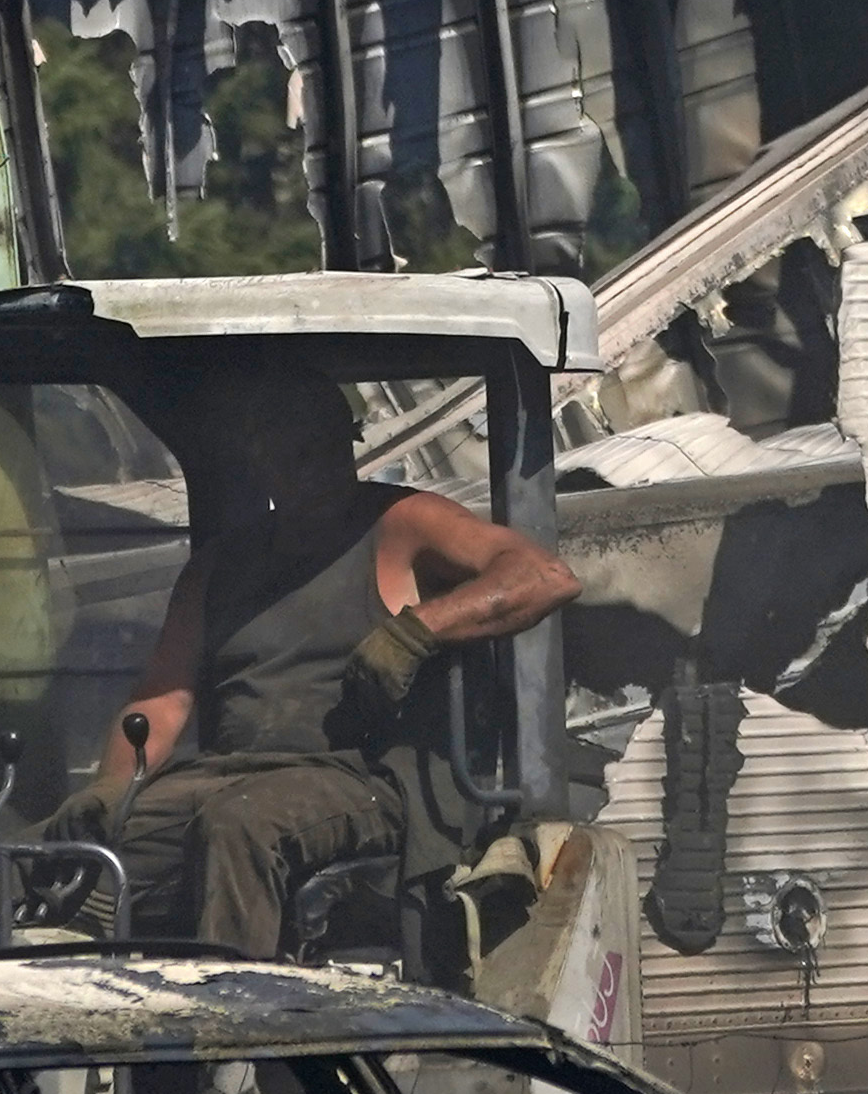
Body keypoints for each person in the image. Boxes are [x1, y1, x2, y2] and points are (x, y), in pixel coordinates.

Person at [63, 348, 578, 962]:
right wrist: (109, 790)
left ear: (347, 441)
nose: (301, 465)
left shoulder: (400, 522)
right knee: (57, 848)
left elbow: (542, 576)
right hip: (227, 778)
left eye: (314, 443)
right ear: (258, 460)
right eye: (281, 449)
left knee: (242, 824)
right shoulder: (219, 569)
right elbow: (163, 700)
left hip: (364, 780)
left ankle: (230, 1024)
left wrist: (420, 629)